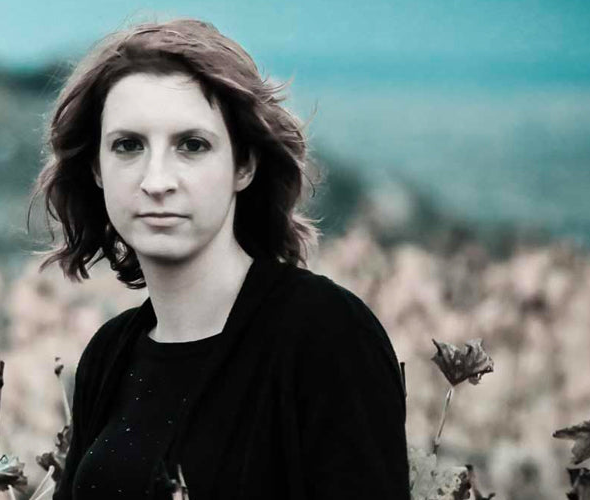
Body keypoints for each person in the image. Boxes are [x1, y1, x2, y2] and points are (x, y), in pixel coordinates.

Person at [35, 19, 409, 499]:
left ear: (244, 165)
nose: (157, 180)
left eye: (192, 145)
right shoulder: (109, 355)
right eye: (128, 146)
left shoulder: (326, 334)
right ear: (97, 169)